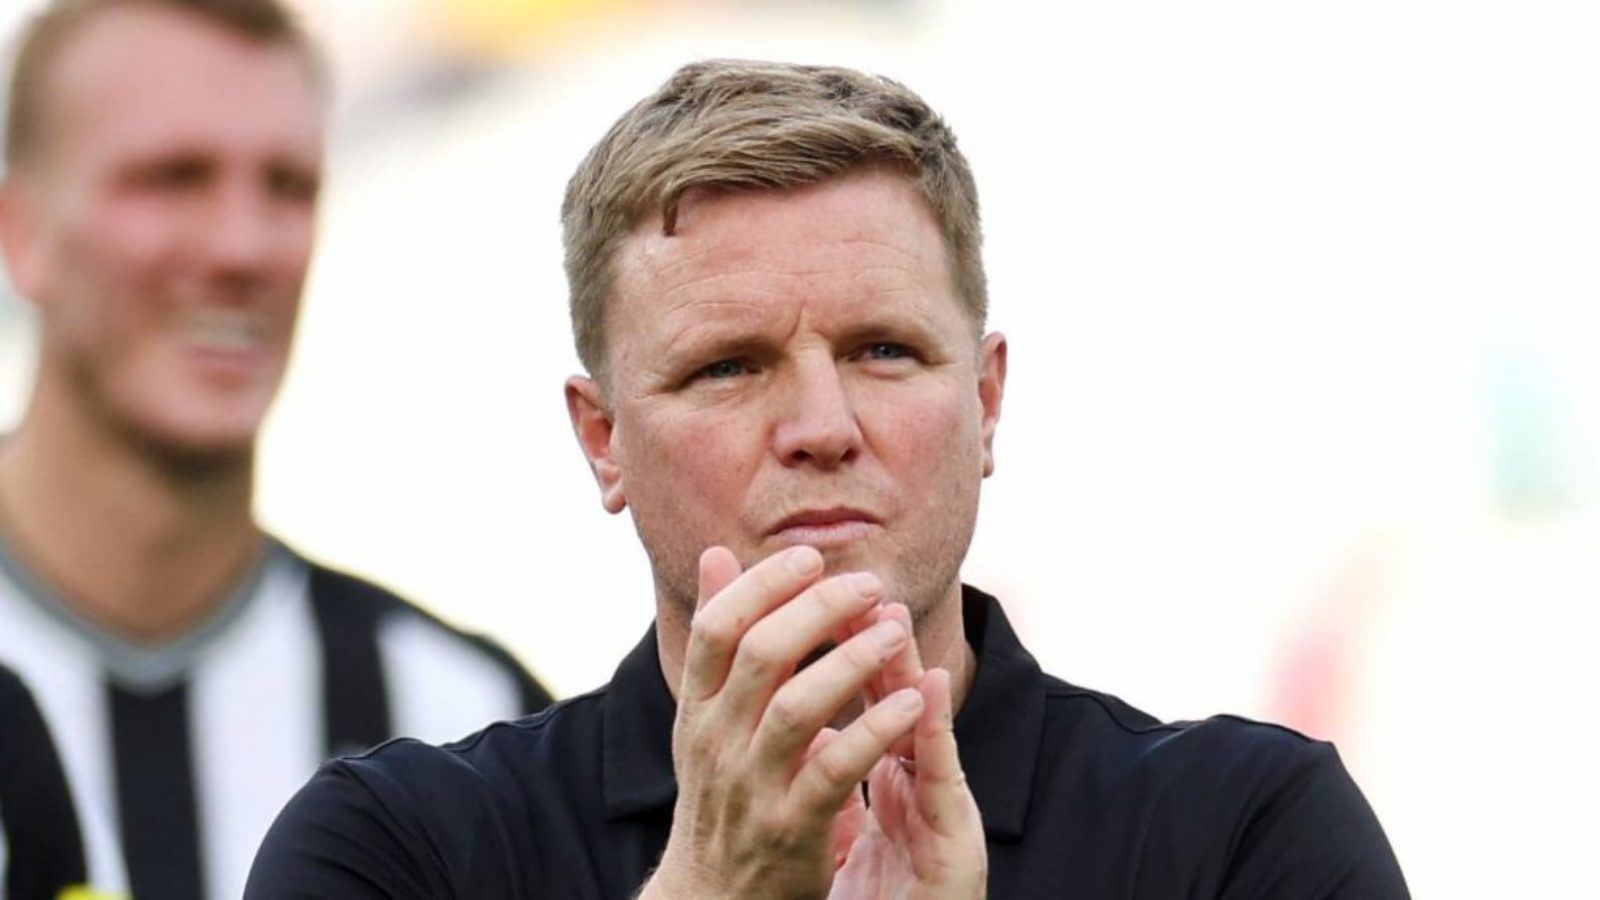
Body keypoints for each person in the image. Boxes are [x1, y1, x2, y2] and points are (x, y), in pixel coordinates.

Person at [246, 60, 1409, 898]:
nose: (820, 426)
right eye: (726, 367)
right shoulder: (401, 853)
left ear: (987, 400)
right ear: (602, 441)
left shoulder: (1242, 837)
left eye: (883, 351)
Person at [0, 2, 552, 898]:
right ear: (21, 233)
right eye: (172, 178)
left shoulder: (465, 719)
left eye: (287, 187)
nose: (241, 247)